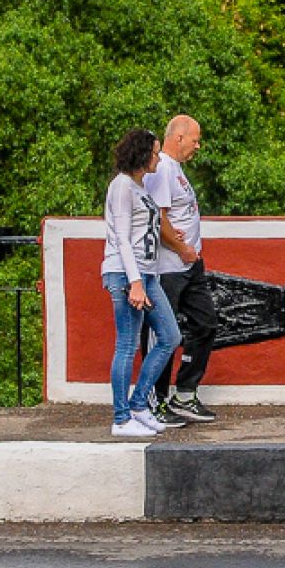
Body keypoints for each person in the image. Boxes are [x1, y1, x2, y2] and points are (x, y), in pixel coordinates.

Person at [102, 128, 184, 437]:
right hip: (126, 274)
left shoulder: (139, 187)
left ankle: (138, 404)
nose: (158, 158)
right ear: (140, 154)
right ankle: (121, 419)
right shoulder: (122, 186)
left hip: (145, 274)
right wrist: (135, 282)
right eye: (154, 152)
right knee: (127, 343)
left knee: (170, 337)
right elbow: (122, 238)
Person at [144, 113, 219, 423]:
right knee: (162, 334)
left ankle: (184, 395)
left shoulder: (176, 172)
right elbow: (158, 220)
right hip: (168, 267)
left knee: (206, 323)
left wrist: (192, 254)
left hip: (189, 265)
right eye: (195, 139)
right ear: (178, 138)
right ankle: (153, 401)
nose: (197, 146)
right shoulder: (160, 168)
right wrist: (183, 248)